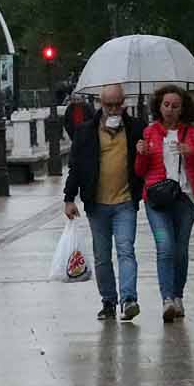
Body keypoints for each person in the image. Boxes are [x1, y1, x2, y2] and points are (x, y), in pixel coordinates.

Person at [64, 83, 146, 322]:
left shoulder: (136, 128)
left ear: (124, 104)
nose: (113, 109)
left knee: (125, 250)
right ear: (100, 104)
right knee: (102, 256)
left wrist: (144, 151)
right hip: (96, 204)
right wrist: (69, 199)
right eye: (108, 105)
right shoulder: (85, 131)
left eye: (117, 104)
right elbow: (75, 167)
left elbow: (147, 162)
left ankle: (129, 298)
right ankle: (108, 301)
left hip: (125, 202)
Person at [136, 85, 194, 322]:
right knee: (165, 246)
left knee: (180, 249)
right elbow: (140, 171)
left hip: (186, 198)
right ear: (159, 106)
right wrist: (141, 154)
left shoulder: (193, 133)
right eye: (166, 105)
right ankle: (166, 298)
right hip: (157, 199)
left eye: (175, 106)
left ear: (182, 109)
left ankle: (178, 295)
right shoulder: (150, 132)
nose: (170, 110)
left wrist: (191, 152)